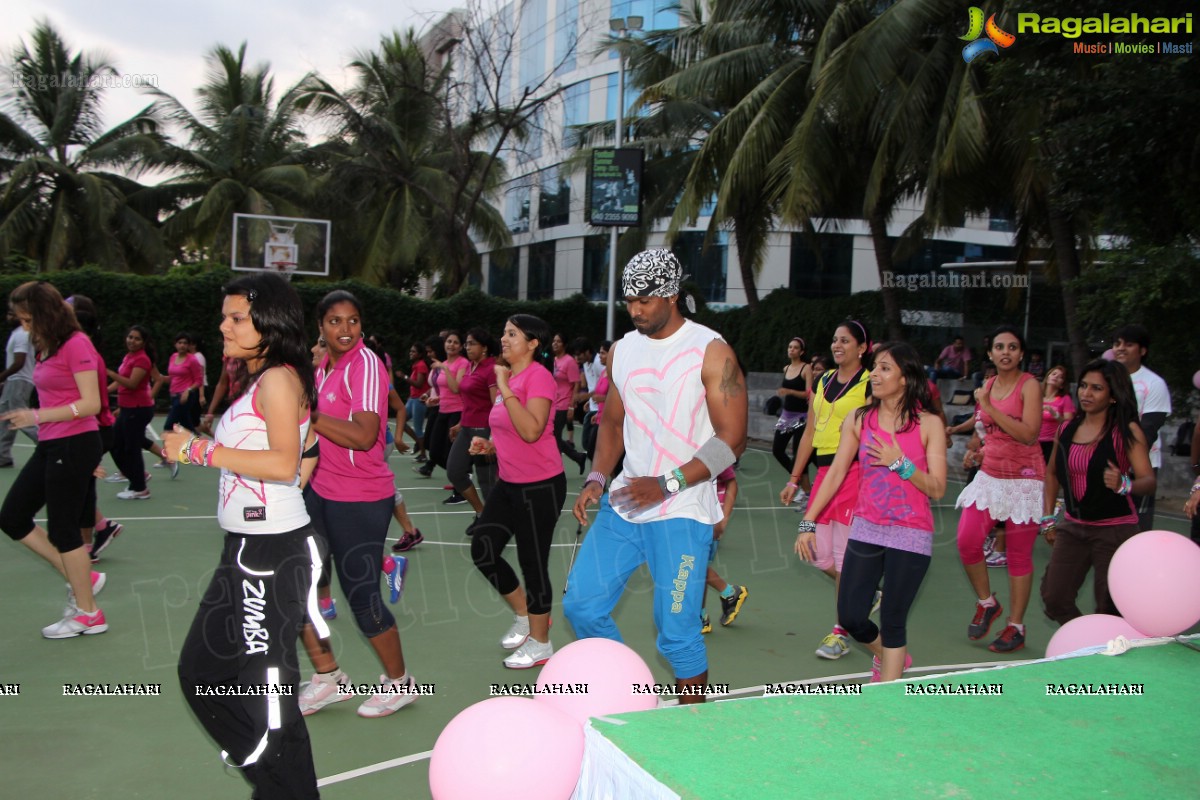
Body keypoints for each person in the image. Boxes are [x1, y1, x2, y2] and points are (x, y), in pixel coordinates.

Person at [565, 249, 748, 703]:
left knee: (677, 634)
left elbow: (733, 439)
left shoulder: (711, 350)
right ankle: (632, 693)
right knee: (582, 606)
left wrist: (666, 484)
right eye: (629, 300)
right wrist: (597, 478)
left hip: (681, 509)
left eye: (644, 300)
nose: (635, 310)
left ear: (670, 294)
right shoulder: (623, 351)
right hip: (626, 503)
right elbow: (611, 423)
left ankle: (691, 727)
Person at [164, 272, 322, 799]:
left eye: (236, 318)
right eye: (225, 316)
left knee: (270, 695)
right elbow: (300, 453)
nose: (223, 326)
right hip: (246, 549)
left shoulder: (278, 377)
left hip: (270, 552)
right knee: (201, 669)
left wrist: (197, 451)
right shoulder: (263, 377)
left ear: (268, 323)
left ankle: (285, 786)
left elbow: (281, 463)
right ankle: (271, 778)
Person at [294, 290, 419, 718]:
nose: (345, 329)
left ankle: (401, 684)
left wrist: (307, 413)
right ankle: (328, 677)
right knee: (298, 585)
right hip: (321, 491)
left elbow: (366, 435)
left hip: (360, 497)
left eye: (352, 321)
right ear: (321, 327)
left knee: (361, 596)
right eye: (334, 321)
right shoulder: (325, 368)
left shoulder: (365, 365)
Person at [797, 342, 947, 682]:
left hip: (911, 533)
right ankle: (888, 657)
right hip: (866, 528)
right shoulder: (860, 419)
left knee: (894, 619)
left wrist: (901, 464)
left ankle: (887, 697)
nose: (875, 374)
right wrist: (808, 521)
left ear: (905, 379)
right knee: (851, 616)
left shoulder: (929, 424)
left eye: (884, 368)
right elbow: (835, 473)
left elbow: (937, 487)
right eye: (875, 367)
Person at [0, 282, 105, 639]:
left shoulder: (77, 344)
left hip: (75, 443)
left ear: (45, 314)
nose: (24, 326)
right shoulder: (46, 345)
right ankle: (81, 576)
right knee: (12, 516)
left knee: (64, 530)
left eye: (28, 319)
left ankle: (89, 613)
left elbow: (92, 403)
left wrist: (37, 416)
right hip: (53, 443)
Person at [467, 314, 568, 668]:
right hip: (510, 482)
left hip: (540, 486)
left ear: (533, 343)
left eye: (513, 334)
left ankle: (541, 643)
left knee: (532, 562)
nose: (504, 339)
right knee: (483, 549)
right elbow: (511, 431)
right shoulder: (512, 377)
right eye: (504, 332)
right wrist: (490, 445)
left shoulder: (537, 377)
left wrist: (504, 387)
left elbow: (531, 430)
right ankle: (525, 616)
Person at [780, 320, 873, 660]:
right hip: (824, 473)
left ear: (862, 347)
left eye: (845, 340)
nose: (838, 345)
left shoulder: (868, 384)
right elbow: (809, 433)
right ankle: (862, 589)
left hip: (854, 473)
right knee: (818, 554)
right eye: (834, 340)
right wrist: (794, 477)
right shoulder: (821, 381)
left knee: (844, 557)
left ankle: (840, 632)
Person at [1040, 359, 1154, 624]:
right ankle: (1086, 644)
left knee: (1110, 606)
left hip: (1115, 530)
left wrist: (1125, 484)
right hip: (1073, 527)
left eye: (1096, 388)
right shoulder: (1066, 428)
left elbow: (1148, 480)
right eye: (1082, 386)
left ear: (1113, 395)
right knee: (1054, 598)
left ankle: (1105, 648)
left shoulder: (1127, 431)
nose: (1085, 394)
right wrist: (1047, 519)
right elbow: (1052, 473)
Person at [955, 325, 1044, 654]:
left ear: (1021, 354)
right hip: (990, 476)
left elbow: (1029, 434)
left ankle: (1016, 627)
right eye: (999, 347)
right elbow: (985, 430)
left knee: (1018, 556)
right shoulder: (988, 385)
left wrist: (990, 408)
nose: (1006, 352)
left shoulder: (1030, 386)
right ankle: (987, 602)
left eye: (1013, 347)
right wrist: (975, 451)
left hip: (1023, 479)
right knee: (966, 540)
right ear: (990, 353)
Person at [1110, 325, 1170, 531]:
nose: (1121, 348)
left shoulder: (1154, 384)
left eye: (1128, 344)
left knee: (1136, 527)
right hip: (1106, 463)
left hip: (1139, 468)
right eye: (1117, 343)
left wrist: (1124, 460)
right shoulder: (1105, 380)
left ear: (1142, 351)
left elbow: (1149, 429)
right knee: (1105, 526)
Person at [445, 328, 498, 521]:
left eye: (471, 343)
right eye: (466, 343)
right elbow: (469, 401)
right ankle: (481, 512)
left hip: (484, 430)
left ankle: (492, 521)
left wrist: (492, 436)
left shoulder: (491, 369)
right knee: (455, 471)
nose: (467, 347)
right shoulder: (470, 367)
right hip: (467, 428)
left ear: (484, 347)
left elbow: (496, 404)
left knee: (487, 481)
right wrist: (460, 423)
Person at [107, 325, 157, 502]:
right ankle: (136, 477)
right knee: (114, 443)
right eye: (130, 337)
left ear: (143, 342)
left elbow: (131, 384)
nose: (132, 341)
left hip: (138, 409)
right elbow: (120, 383)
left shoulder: (142, 359)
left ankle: (140, 488)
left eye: (136, 338)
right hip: (127, 408)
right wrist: (102, 392)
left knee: (132, 448)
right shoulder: (129, 357)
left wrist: (111, 374)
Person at [416, 332, 467, 494]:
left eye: (455, 342)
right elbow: (445, 391)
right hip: (443, 411)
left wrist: (445, 368)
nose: (451, 345)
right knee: (435, 451)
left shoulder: (462, 363)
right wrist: (435, 399)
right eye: (449, 341)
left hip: (457, 412)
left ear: (461, 347)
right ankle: (462, 474)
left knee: (452, 452)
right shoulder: (443, 362)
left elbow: (455, 388)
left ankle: (460, 488)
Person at [700, 465, 747, 634]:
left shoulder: (713, 449)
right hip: (688, 516)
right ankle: (703, 613)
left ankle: (725, 594)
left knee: (696, 566)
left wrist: (724, 518)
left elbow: (731, 482)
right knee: (695, 567)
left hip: (709, 521)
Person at [772, 337, 812, 499]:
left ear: (801, 352)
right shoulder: (786, 368)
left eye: (795, 348)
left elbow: (809, 394)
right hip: (786, 417)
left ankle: (806, 491)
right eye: (790, 347)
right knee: (777, 450)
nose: (791, 350)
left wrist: (789, 392)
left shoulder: (806, 368)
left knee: (798, 455)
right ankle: (800, 481)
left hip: (801, 417)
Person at [0, 307, 38, 467]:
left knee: (19, 417)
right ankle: (3, 456)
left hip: (20, 380)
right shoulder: (18, 332)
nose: (9, 317)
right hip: (15, 380)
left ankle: (49, 444)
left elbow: (19, 362)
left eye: (12, 314)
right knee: (5, 418)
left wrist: (2, 376)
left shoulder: (23, 333)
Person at [551, 332, 586, 473]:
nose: (555, 343)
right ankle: (578, 457)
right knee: (554, 436)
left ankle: (556, 469)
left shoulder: (569, 361)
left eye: (558, 341)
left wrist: (572, 406)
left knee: (554, 436)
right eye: (554, 341)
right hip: (554, 403)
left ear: (564, 345)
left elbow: (576, 384)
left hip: (564, 403)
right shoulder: (554, 360)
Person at [1039, 365, 1074, 462]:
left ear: (1062, 384)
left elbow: (1068, 423)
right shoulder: (1037, 396)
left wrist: (1054, 413)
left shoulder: (1065, 399)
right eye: (1054, 374)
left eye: (1060, 377)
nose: (1055, 377)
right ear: (1047, 378)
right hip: (1034, 442)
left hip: (1052, 443)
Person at [403, 343, 430, 462]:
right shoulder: (416, 365)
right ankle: (419, 443)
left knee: (418, 428)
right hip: (412, 399)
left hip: (419, 400)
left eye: (413, 352)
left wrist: (404, 377)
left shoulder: (421, 365)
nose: (411, 353)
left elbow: (419, 384)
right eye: (410, 351)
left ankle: (423, 454)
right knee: (401, 422)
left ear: (419, 354)